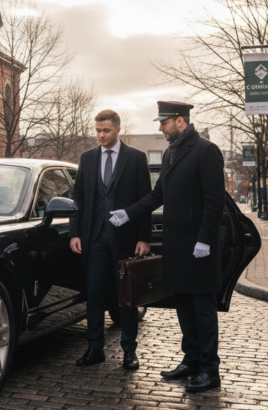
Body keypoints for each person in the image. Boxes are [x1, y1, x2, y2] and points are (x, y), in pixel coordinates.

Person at [109, 101, 225, 392]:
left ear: (180, 121)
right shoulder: (172, 151)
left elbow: (215, 200)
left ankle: (210, 370)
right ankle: (192, 360)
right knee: (184, 306)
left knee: (203, 311)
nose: (160, 127)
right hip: (177, 247)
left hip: (199, 247)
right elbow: (157, 194)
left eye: (163, 122)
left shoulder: (206, 150)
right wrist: (129, 213)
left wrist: (205, 239)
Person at [69, 109, 152, 370]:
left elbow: (145, 200)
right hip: (94, 239)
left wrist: (144, 238)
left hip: (125, 239)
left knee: (126, 296)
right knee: (93, 294)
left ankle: (129, 351)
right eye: (97, 130)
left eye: (105, 130)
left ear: (118, 129)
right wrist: (75, 233)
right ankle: (95, 348)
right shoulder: (87, 158)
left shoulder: (136, 158)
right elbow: (78, 198)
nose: (101, 135)